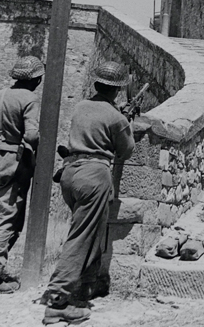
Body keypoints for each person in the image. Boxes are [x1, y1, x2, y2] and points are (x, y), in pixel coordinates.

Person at [43, 61, 135, 325]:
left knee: (90, 231)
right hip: (94, 175)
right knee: (82, 236)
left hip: (70, 174)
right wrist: (125, 122)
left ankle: (86, 285)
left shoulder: (82, 106)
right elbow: (125, 151)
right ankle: (58, 300)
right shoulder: (116, 117)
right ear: (117, 91)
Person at [0, 56, 44, 298]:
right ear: (36, 79)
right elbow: (32, 135)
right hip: (11, 162)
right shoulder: (30, 99)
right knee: (8, 218)